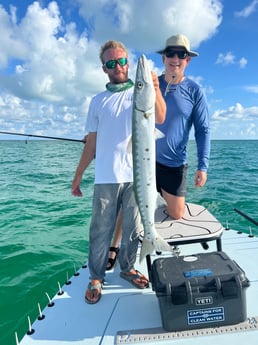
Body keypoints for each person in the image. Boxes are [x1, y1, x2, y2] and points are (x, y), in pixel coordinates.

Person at [71, 40, 166, 304]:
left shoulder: (139, 93)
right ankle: (96, 276)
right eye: (111, 63)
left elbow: (158, 117)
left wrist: (154, 89)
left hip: (138, 177)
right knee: (100, 230)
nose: (119, 67)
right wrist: (78, 175)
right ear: (104, 69)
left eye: (122, 61)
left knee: (134, 229)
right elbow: (91, 142)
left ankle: (127, 268)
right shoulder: (97, 101)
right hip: (105, 177)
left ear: (127, 62)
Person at [155, 34, 210, 220]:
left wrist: (203, 166)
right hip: (145, 161)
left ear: (187, 60)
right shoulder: (152, 85)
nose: (175, 59)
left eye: (181, 54)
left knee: (176, 214)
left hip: (174, 163)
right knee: (134, 205)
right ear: (164, 58)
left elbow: (202, 130)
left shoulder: (195, 91)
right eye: (171, 53)